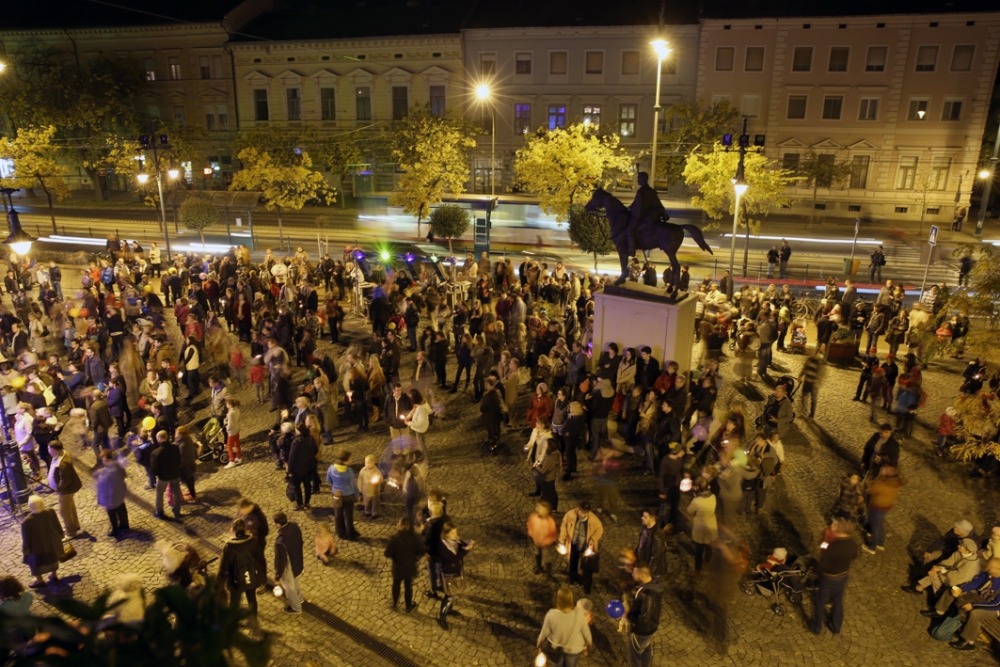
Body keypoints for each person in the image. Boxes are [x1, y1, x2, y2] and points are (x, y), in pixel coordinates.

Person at [924, 557, 1000, 651]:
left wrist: (973, 605)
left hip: (994, 608)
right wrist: (961, 589)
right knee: (953, 589)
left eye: (990, 567)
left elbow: (996, 604)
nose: (987, 568)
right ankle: (939, 611)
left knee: (975, 613)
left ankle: (968, 641)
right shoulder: (989, 574)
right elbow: (976, 583)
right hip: (980, 597)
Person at [810, 518, 858, 635]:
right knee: (837, 600)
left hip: (829, 577)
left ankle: (817, 627)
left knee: (820, 600)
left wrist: (814, 570)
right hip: (843, 575)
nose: (832, 526)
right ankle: (835, 627)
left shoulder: (833, 546)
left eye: (835, 526)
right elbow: (854, 556)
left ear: (840, 531)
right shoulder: (852, 543)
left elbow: (822, 563)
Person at [217, 518, 265, 626]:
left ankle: (232, 624)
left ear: (233, 530)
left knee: (234, 603)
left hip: (235, 582)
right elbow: (260, 559)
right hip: (250, 577)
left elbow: (223, 568)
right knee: (252, 599)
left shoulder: (229, 548)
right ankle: (253, 622)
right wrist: (262, 577)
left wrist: (218, 585)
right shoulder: (252, 542)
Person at [536, 585, 593, 667]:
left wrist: (539, 641)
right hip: (574, 649)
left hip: (557, 647)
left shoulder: (552, 614)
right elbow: (585, 631)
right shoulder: (579, 614)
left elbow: (545, 631)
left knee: (557, 664)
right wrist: (589, 641)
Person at [906, 537, 980, 595]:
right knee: (934, 572)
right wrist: (937, 568)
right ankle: (920, 588)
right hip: (950, 573)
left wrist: (941, 570)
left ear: (967, 550)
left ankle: (935, 595)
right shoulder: (959, 553)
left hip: (957, 583)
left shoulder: (971, 564)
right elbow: (948, 562)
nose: (958, 546)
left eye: (961, 546)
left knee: (935, 576)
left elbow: (958, 578)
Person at [559, 501, 604, 595]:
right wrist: (562, 539)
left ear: (588, 512)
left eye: (584, 512)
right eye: (580, 510)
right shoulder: (570, 514)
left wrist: (593, 539)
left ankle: (586, 586)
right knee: (573, 562)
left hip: (586, 546)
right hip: (574, 543)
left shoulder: (594, 520)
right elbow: (563, 526)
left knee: (587, 568)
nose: (581, 513)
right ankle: (573, 577)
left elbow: (599, 530)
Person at [624, 561, 663, 667]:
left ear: (642, 575)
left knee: (634, 657)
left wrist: (628, 615)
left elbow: (643, 619)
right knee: (645, 649)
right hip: (650, 628)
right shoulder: (651, 584)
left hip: (642, 631)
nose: (632, 574)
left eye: (634, 573)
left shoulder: (648, 595)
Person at [384, 517, 425, 613]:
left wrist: (395, 557)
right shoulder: (414, 537)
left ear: (399, 526)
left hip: (398, 567)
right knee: (408, 586)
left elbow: (387, 553)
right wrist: (415, 558)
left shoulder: (394, 539)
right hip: (409, 566)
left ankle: (394, 603)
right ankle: (408, 606)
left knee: (396, 584)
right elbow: (421, 550)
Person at [21, 495, 64, 588]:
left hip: (37, 548)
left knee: (34, 563)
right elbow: (57, 525)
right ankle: (54, 575)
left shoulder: (27, 521)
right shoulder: (50, 512)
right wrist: (61, 535)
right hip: (52, 543)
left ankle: (40, 581)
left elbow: (26, 538)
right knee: (53, 559)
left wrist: (26, 550)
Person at [861, 466, 904, 555]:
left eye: (885, 470)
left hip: (878, 507)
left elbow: (871, 488)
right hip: (886, 506)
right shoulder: (894, 482)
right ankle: (881, 543)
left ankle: (872, 547)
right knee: (879, 524)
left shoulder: (883, 484)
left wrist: (880, 476)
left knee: (875, 526)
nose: (882, 469)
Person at [437, 522, 474, 623]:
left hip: (456, 571)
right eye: (453, 533)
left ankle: (449, 609)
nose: (456, 535)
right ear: (446, 534)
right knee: (449, 596)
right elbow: (453, 558)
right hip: (449, 573)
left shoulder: (456, 540)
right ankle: (442, 617)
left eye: (456, 532)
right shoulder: (443, 546)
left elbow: (462, 547)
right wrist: (466, 550)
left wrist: (467, 544)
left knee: (452, 593)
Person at [47, 442, 82, 540]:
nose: (48, 450)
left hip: (65, 490)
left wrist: (58, 488)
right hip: (65, 489)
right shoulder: (62, 454)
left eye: (49, 448)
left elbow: (65, 480)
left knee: (64, 511)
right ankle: (74, 525)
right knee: (70, 508)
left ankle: (71, 532)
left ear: (54, 449)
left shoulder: (63, 462)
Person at [273, 512, 304, 614]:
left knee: (289, 587)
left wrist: (277, 576)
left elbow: (280, 561)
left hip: (288, 565)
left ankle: (296, 607)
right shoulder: (294, 526)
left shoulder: (280, 541)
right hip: (297, 558)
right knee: (294, 580)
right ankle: (299, 598)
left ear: (278, 524)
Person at [95, 449, 129, 538]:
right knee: (121, 509)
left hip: (112, 497)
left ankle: (115, 529)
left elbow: (110, 488)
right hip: (120, 493)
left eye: (104, 459)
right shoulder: (117, 465)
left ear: (108, 460)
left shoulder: (110, 472)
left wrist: (109, 500)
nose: (103, 461)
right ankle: (124, 525)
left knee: (112, 514)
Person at [687, 478, 718, 574]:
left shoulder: (697, 501)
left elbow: (689, 510)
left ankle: (697, 572)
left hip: (700, 528)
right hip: (711, 525)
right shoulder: (713, 497)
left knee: (699, 551)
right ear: (708, 487)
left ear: (697, 488)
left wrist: (695, 497)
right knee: (709, 547)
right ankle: (706, 563)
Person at [327, 450, 359, 540]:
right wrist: (357, 496)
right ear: (346, 460)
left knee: (338, 514)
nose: (351, 460)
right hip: (348, 495)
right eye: (350, 458)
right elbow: (353, 485)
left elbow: (329, 480)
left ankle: (340, 532)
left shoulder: (331, 468)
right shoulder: (348, 471)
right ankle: (350, 533)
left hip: (337, 494)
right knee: (348, 515)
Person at [150, 431, 182, 521]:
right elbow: (179, 460)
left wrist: (157, 474)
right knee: (176, 493)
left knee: (159, 493)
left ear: (159, 439)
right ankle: (177, 511)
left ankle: (160, 512)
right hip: (175, 474)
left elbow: (154, 469)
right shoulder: (175, 448)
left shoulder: (156, 453)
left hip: (163, 477)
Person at [287, 423, 318, 511]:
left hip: (298, 469)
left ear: (299, 431)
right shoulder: (310, 438)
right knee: (307, 486)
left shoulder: (296, 441)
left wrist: (289, 471)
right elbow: (315, 450)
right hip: (309, 467)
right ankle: (307, 502)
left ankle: (299, 504)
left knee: (297, 487)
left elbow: (292, 457)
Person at [635, 510, 669, 579]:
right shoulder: (645, 527)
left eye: (645, 517)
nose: (642, 518)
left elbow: (655, 557)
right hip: (642, 562)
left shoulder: (657, 535)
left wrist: (649, 573)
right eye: (642, 516)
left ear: (652, 519)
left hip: (648, 568)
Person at [528, 501, 558, 576]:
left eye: (540, 508)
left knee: (547, 558)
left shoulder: (550, 522)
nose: (537, 509)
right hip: (536, 541)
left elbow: (552, 534)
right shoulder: (534, 517)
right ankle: (539, 566)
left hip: (545, 544)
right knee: (537, 553)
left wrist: (548, 541)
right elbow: (530, 525)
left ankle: (548, 572)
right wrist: (531, 533)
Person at [357, 454, 382, 519]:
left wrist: (378, 480)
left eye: (369, 463)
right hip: (366, 491)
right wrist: (359, 487)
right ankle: (367, 511)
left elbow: (381, 478)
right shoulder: (363, 470)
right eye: (366, 462)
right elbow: (360, 479)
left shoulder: (376, 471)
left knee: (375, 503)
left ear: (373, 463)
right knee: (366, 502)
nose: (367, 464)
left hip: (375, 491)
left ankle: (375, 512)